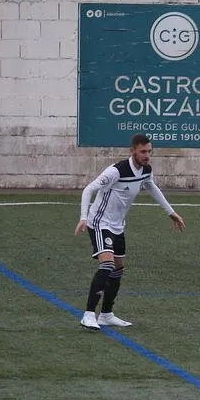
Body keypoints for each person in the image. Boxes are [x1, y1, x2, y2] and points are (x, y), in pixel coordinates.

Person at [74, 133, 186, 331]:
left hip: (118, 225)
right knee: (107, 264)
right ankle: (88, 315)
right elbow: (88, 190)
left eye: (149, 151)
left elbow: (152, 187)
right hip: (100, 223)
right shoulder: (116, 171)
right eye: (143, 151)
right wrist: (83, 217)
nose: (147, 155)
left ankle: (106, 315)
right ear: (132, 151)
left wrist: (171, 213)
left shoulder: (146, 170)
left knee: (117, 269)